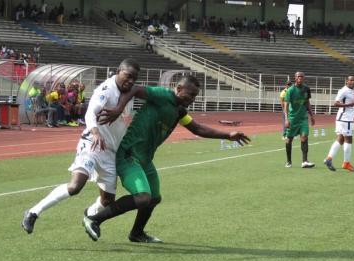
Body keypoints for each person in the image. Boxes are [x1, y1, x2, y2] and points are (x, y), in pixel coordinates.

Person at [82, 75, 251, 243]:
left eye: (195, 96)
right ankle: (94, 219)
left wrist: (228, 135)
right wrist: (119, 109)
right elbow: (135, 89)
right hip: (129, 155)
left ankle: (137, 233)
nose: (192, 99)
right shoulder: (162, 95)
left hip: (145, 159)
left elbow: (197, 128)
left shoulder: (179, 111)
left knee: (154, 198)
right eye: (190, 94)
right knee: (143, 197)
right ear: (178, 89)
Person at [21, 59, 140, 234]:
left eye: (133, 79)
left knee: (107, 201)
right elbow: (90, 112)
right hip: (91, 144)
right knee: (75, 186)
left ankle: (89, 214)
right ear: (118, 71)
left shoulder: (129, 93)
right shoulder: (106, 90)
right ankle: (33, 212)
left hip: (110, 152)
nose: (130, 81)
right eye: (127, 76)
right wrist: (95, 132)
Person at [324, 76, 354, 172]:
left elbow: (352, 102)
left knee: (340, 139)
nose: (352, 82)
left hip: (344, 119)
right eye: (350, 80)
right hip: (345, 119)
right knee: (348, 140)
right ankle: (346, 163)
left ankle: (329, 158)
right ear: (346, 81)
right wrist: (349, 105)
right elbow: (335, 104)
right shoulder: (343, 91)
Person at [284, 72, 315, 168]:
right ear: (295, 78)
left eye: (302, 76)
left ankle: (304, 161)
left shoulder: (306, 89)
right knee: (289, 139)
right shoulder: (290, 90)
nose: (300, 78)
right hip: (293, 119)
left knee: (304, 137)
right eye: (298, 77)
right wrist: (286, 119)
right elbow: (286, 106)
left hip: (303, 118)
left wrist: (312, 116)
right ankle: (289, 161)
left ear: (304, 78)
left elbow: (307, 102)